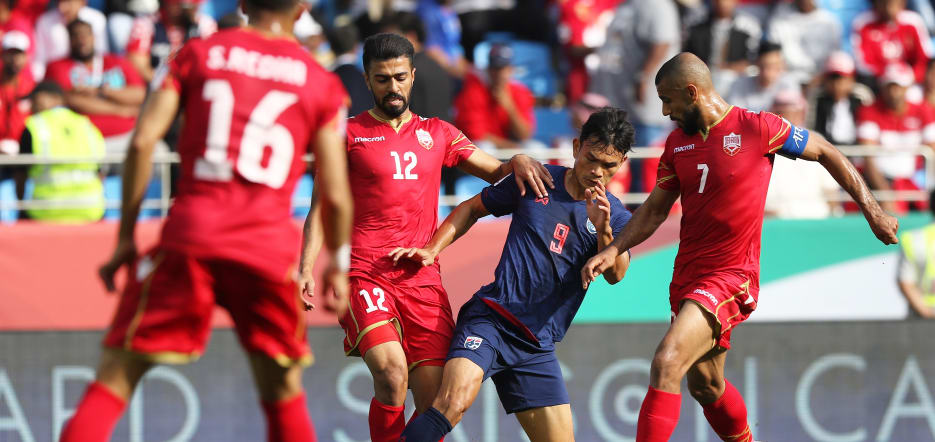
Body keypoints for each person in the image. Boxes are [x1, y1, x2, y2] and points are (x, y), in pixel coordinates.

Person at [59, 1, 353, 441]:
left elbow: (142, 142)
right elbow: (337, 192)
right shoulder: (322, 83)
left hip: (191, 236)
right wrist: (339, 266)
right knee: (284, 392)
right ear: (302, 9)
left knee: (115, 377)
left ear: (243, 4)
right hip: (266, 250)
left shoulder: (196, 54)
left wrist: (125, 239)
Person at [581, 52, 899, 442]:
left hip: (731, 276)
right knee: (706, 385)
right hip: (687, 278)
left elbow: (827, 151)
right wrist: (613, 249)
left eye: (668, 100)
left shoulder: (758, 128)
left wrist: (873, 212)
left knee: (667, 361)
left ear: (692, 92)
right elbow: (654, 211)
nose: (664, 111)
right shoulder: (676, 144)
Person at [298, 32, 552, 442]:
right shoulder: (347, 134)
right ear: (367, 80)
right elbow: (320, 209)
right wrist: (306, 268)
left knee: (435, 401)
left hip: (422, 279)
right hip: (365, 272)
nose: (392, 87)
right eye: (382, 79)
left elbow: (497, 172)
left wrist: (519, 159)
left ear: (413, 76)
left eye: (400, 77)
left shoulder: (439, 133)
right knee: (391, 373)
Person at [396, 108, 634, 442]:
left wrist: (603, 229)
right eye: (591, 158)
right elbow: (472, 208)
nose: (597, 171)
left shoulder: (616, 216)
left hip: (536, 346)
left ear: (622, 163)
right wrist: (433, 249)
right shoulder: (537, 180)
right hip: (491, 321)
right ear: (576, 147)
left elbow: (617, 275)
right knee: (452, 403)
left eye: (608, 165)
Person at [44, 19, 145, 157]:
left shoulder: (117, 62)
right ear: (69, 39)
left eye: (86, 34)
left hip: (127, 135)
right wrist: (120, 109)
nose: (82, 40)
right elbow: (72, 99)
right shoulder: (58, 67)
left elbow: (139, 95)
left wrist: (101, 91)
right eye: (76, 35)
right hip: (82, 139)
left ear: (94, 37)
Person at [13, 80, 105, 223]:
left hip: (47, 212)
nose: (32, 106)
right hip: (91, 211)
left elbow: (21, 174)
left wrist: (20, 208)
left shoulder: (34, 126)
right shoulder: (86, 124)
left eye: (36, 99)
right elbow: (100, 171)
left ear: (56, 99)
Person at [857, 62, 935, 213]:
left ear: (907, 87)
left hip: (914, 184)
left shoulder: (923, 110)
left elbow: (933, 151)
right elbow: (868, 158)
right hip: (878, 184)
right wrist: (886, 196)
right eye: (890, 86)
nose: (894, 92)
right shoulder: (869, 111)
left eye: (898, 86)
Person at [453, 43, 536, 151]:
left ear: (511, 69)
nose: (499, 74)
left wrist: (509, 107)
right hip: (488, 149)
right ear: (488, 70)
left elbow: (525, 134)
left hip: (511, 147)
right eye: (495, 68)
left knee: (535, 149)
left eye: (503, 68)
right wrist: (512, 147)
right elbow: (476, 135)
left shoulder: (520, 91)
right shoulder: (473, 91)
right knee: (485, 147)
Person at [125, 0, 216, 83]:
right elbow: (138, 64)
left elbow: (210, 66)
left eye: (189, 5)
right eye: (178, 4)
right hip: (157, 86)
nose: (183, 8)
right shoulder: (147, 23)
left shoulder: (204, 25)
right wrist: (168, 84)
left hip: (193, 84)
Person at [682, 0, 761, 94]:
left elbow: (753, 62)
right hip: (703, 81)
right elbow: (688, 58)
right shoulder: (696, 26)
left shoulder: (748, 27)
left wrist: (729, 68)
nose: (723, 3)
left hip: (736, 83)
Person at [852, 0, 933, 87]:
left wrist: (911, 77)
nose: (889, 9)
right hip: (877, 85)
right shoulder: (864, 23)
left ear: (902, 3)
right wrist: (887, 76)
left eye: (893, 3)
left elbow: (924, 59)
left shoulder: (913, 22)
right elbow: (862, 64)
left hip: (911, 84)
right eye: (884, 3)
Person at [765, 0, 841, 86]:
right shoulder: (779, 19)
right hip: (787, 79)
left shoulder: (830, 22)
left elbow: (834, 57)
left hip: (821, 81)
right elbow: (774, 54)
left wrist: (819, 80)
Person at [33, 0, 108, 80]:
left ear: (82, 2)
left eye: (68, 2)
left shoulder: (97, 19)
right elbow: (39, 60)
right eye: (59, 2)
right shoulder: (44, 22)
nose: (62, 8)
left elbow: (102, 54)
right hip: (56, 77)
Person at [726, 41, 800, 112]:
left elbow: (790, 115)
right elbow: (735, 115)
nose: (768, 72)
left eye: (774, 66)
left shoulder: (789, 84)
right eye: (764, 66)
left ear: (782, 65)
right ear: (757, 63)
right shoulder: (740, 84)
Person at [897, 191, 935, 318]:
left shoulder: (914, 239)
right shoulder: (914, 240)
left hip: (920, 320)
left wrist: (927, 313)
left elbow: (906, 283)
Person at [0, 30, 34, 155]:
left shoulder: (31, 88)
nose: (14, 59)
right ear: (2, 55)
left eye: (19, 54)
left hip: (23, 152)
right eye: (10, 54)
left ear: (26, 57)